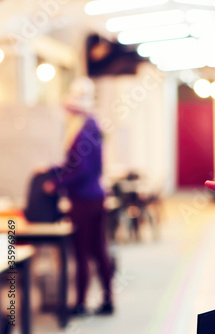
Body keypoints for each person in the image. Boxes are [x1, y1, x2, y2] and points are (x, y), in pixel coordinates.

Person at [43, 77, 114, 316]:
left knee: (82, 250)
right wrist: (52, 170)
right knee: (99, 249)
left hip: (83, 200)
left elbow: (79, 169)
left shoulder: (81, 131)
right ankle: (107, 300)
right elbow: (78, 165)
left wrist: (56, 183)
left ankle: (81, 303)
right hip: (96, 196)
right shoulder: (93, 125)